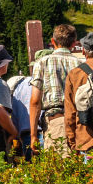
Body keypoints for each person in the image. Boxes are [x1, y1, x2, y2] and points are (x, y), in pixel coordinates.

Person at [30, 24, 81, 154]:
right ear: (74, 43)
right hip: (79, 121)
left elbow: (35, 101)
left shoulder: (42, 62)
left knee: (58, 168)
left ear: (53, 42)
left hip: (55, 119)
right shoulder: (81, 64)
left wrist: (33, 134)